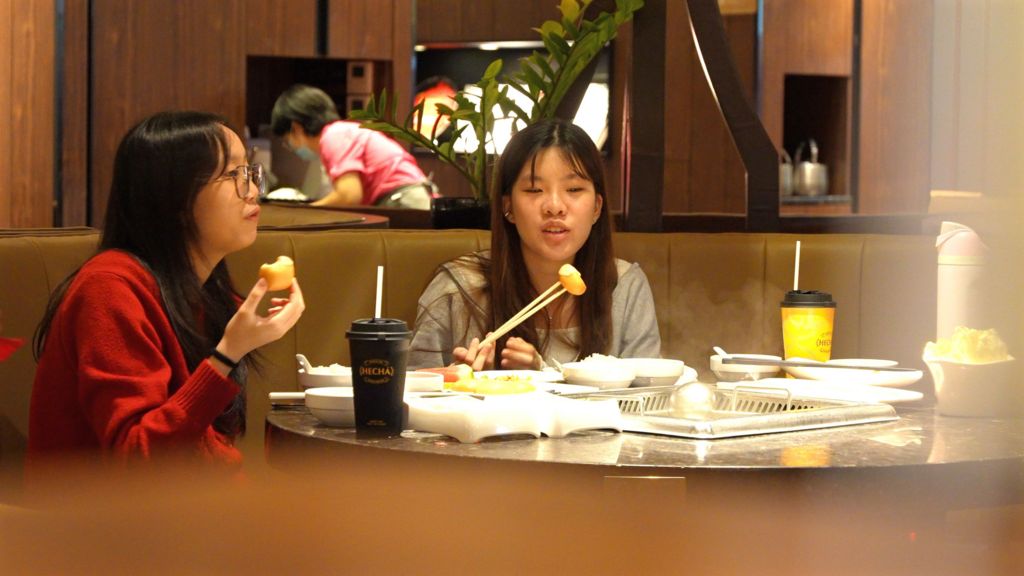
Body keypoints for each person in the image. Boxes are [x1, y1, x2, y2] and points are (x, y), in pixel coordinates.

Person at [28, 111, 305, 472]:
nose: (253, 190)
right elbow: (138, 458)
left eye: (250, 173)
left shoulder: (206, 295)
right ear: (175, 199)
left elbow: (208, 453)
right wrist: (227, 354)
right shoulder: (108, 290)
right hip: (93, 522)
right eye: (234, 175)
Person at [408, 118, 660, 370]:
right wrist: (461, 385)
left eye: (573, 189)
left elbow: (649, 399)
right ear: (508, 207)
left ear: (596, 208)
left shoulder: (623, 287)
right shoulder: (458, 290)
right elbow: (412, 393)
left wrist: (541, 379)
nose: (554, 207)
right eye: (534, 190)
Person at [270, 84, 436, 209]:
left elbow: (349, 195)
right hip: (409, 197)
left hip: (404, 200)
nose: (291, 146)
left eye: (288, 139)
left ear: (296, 128)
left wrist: (308, 212)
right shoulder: (342, 131)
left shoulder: (333, 136)